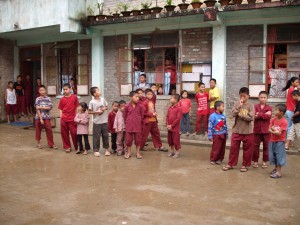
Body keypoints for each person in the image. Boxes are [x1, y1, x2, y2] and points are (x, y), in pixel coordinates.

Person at [223, 87, 254, 172]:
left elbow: (251, 117)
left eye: (244, 96)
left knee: (247, 149)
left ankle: (245, 165)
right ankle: (231, 163)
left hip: (248, 131)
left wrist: (242, 116)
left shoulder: (251, 105)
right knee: (233, 148)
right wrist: (239, 107)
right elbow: (232, 114)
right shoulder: (237, 104)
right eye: (241, 96)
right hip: (237, 130)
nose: (242, 98)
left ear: (248, 96)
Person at [252, 91, 272, 169]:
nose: (263, 99)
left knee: (266, 146)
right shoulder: (255, 107)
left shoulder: (269, 107)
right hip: (257, 130)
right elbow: (254, 116)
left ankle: (264, 161)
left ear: (267, 98)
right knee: (255, 146)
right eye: (261, 97)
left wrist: (259, 114)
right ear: (258, 98)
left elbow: (268, 117)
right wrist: (264, 114)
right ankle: (255, 161)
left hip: (266, 130)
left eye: (264, 97)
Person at [88, 87, 110, 157]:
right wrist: (96, 112)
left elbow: (107, 106)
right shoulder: (92, 102)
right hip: (97, 123)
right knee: (96, 137)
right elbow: (89, 111)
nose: (100, 91)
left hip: (104, 121)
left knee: (106, 136)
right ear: (94, 94)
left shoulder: (103, 99)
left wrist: (104, 108)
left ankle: (106, 149)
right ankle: (96, 150)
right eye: (98, 91)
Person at [268, 104, 288, 178]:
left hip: (280, 141)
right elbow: (269, 128)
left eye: (276, 110)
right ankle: (276, 169)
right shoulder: (274, 119)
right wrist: (274, 130)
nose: (275, 111)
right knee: (273, 156)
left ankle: (279, 172)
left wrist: (273, 130)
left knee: (279, 156)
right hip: (272, 140)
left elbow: (279, 133)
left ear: (281, 112)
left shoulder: (284, 122)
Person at [35, 85, 58, 149]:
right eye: (41, 90)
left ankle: (51, 144)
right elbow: (37, 109)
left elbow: (49, 107)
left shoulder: (48, 98)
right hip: (38, 117)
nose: (42, 91)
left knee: (49, 130)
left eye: (43, 90)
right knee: (38, 130)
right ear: (39, 91)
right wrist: (41, 118)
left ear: (45, 90)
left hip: (47, 117)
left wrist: (41, 107)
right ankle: (38, 143)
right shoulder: (37, 99)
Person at [58, 83, 79, 153]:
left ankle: (77, 147)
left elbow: (77, 107)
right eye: (64, 89)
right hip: (64, 119)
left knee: (74, 133)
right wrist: (61, 118)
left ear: (70, 89)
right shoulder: (62, 99)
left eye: (66, 89)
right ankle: (67, 147)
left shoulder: (74, 97)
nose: (65, 91)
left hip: (72, 119)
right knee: (64, 134)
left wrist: (76, 117)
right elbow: (60, 109)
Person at [124, 91, 144, 159]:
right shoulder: (126, 106)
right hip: (129, 126)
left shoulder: (141, 107)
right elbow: (125, 116)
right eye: (136, 96)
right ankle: (129, 152)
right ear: (131, 97)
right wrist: (127, 123)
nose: (138, 98)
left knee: (138, 140)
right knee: (128, 140)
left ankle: (138, 153)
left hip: (138, 126)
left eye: (138, 97)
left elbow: (142, 116)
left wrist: (140, 124)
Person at [208, 101, 228, 165]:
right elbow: (210, 126)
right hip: (216, 135)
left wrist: (226, 133)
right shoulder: (212, 116)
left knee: (222, 148)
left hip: (223, 134)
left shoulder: (223, 116)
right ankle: (213, 159)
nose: (223, 108)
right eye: (222, 106)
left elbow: (225, 125)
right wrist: (210, 135)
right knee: (216, 148)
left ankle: (220, 159)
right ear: (217, 107)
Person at [166, 94, 182, 158]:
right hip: (169, 127)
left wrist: (172, 125)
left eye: (171, 98)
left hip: (175, 128)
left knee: (176, 140)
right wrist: (167, 124)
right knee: (170, 140)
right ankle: (172, 151)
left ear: (175, 100)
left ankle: (177, 152)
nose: (170, 99)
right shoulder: (169, 108)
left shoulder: (179, 108)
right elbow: (167, 117)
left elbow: (178, 119)